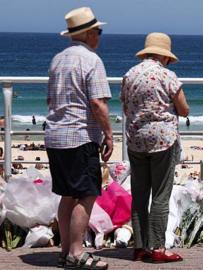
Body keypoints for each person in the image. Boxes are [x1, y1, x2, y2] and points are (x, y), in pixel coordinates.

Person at [45, 7, 111, 269]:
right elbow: (97, 103)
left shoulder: (58, 59)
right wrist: (108, 134)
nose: (100, 36)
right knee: (86, 194)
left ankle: (64, 251)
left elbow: (51, 99)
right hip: (79, 136)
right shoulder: (91, 60)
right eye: (98, 31)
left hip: (56, 135)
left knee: (67, 195)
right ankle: (76, 252)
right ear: (88, 33)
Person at [121, 32, 188, 263]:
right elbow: (184, 109)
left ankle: (139, 247)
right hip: (163, 140)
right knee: (160, 195)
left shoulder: (130, 74)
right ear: (165, 56)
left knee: (139, 194)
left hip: (136, 139)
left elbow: (125, 107)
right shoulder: (168, 75)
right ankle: (158, 247)